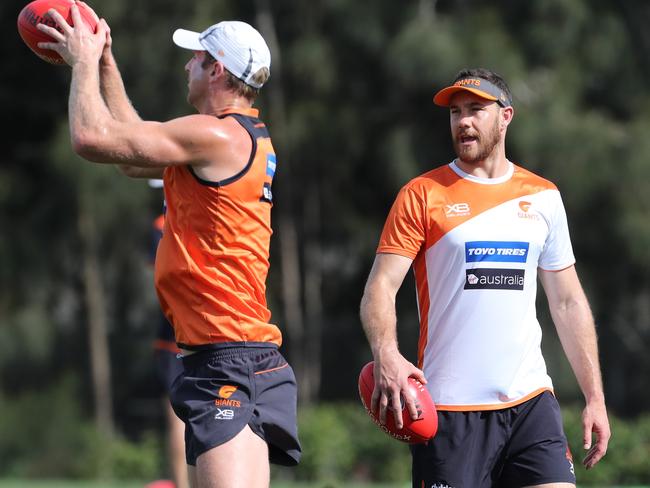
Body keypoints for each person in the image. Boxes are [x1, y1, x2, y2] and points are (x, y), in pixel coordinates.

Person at [37, 3, 301, 487]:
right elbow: (130, 157)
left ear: (217, 69)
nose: (186, 65)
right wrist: (106, 67)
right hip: (222, 356)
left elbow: (91, 138)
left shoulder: (218, 136)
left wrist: (81, 63)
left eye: (196, 58)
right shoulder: (228, 140)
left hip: (230, 359)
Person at [359, 67, 610, 488]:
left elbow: (568, 302)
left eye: (476, 109)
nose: (464, 121)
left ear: (505, 116)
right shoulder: (422, 194)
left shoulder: (544, 196)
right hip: (450, 410)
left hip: (530, 402)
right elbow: (379, 288)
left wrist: (595, 397)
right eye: (456, 112)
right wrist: (387, 354)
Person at [150, 211, 189, 488]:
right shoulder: (201, 215)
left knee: (179, 419)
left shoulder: (161, 226)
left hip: (176, 336)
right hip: (197, 333)